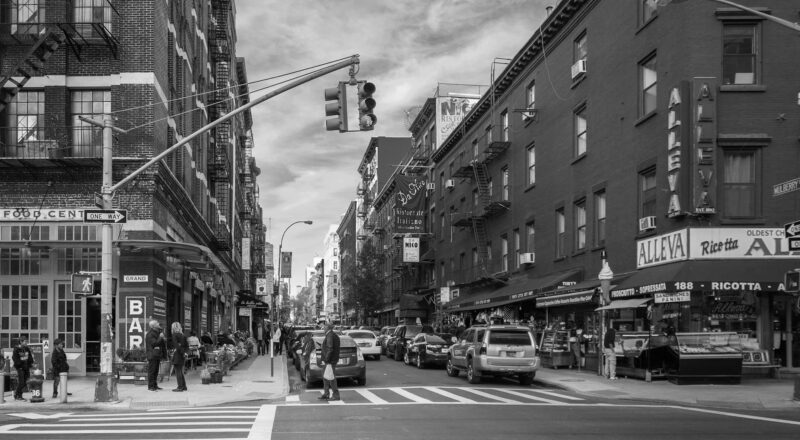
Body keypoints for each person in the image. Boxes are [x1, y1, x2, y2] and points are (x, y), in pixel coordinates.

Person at [319, 322, 340, 401]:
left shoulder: (330, 335)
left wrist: (327, 360)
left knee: (331, 377)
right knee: (326, 376)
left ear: (327, 328)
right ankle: (326, 393)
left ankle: (336, 395)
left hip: (329, 360)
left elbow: (330, 348)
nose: (323, 328)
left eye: (324, 327)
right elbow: (330, 347)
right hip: (331, 359)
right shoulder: (333, 335)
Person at [145, 320, 166, 391]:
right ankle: (151, 386)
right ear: (153, 326)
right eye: (157, 323)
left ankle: (155, 385)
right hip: (152, 355)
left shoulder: (157, 332)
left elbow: (160, 343)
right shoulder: (150, 334)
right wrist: (160, 337)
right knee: (152, 371)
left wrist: (162, 339)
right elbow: (154, 343)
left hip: (156, 354)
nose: (158, 324)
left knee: (156, 371)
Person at [12, 336, 33, 401]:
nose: (26, 342)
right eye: (25, 341)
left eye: (27, 341)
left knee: (25, 382)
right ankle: (18, 395)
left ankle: (17, 393)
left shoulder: (27, 348)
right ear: (21, 342)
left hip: (26, 367)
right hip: (20, 368)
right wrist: (20, 365)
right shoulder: (16, 349)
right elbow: (15, 358)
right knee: (21, 382)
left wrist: (31, 363)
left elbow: (30, 357)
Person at [170, 322, 187, 392]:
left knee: (178, 371)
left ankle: (180, 387)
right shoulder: (183, 335)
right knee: (180, 371)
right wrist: (184, 352)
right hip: (182, 354)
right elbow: (186, 346)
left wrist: (177, 350)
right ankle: (184, 386)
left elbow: (176, 345)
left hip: (177, 354)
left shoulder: (174, 335)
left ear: (173, 328)